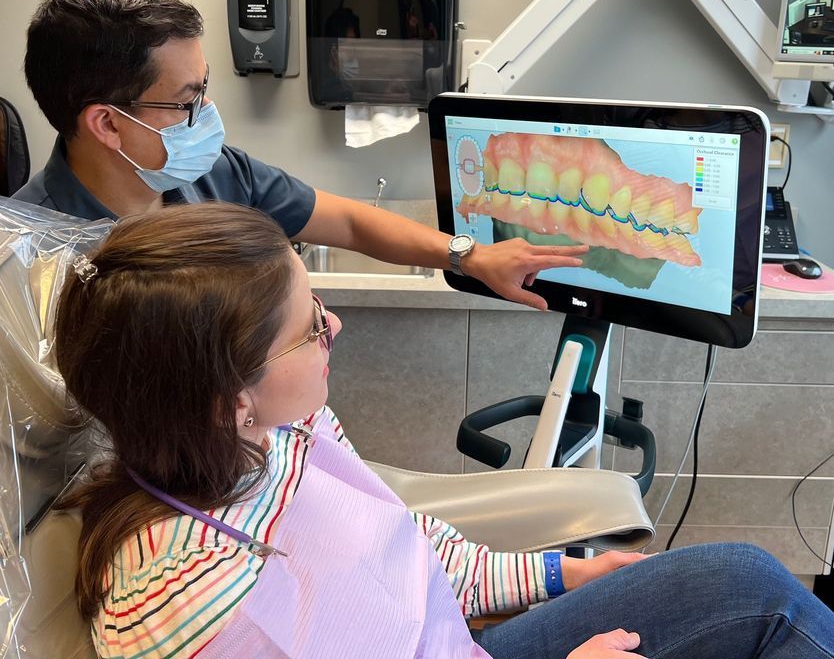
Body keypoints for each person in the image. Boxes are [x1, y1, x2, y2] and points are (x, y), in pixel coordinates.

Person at [54, 202, 834, 659]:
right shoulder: (199, 604)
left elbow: (407, 552)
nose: (334, 326)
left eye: (316, 302)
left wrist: (560, 576)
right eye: (308, 329)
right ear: (230, 400)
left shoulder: (279, 435)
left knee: (745, 582)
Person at [13, 0, 587, 311]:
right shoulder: (29, 259)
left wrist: (470, 256)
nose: (206, 115)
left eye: (205, 88)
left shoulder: (217, 176)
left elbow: (352, 223)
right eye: (186, 101)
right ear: (108, 124)